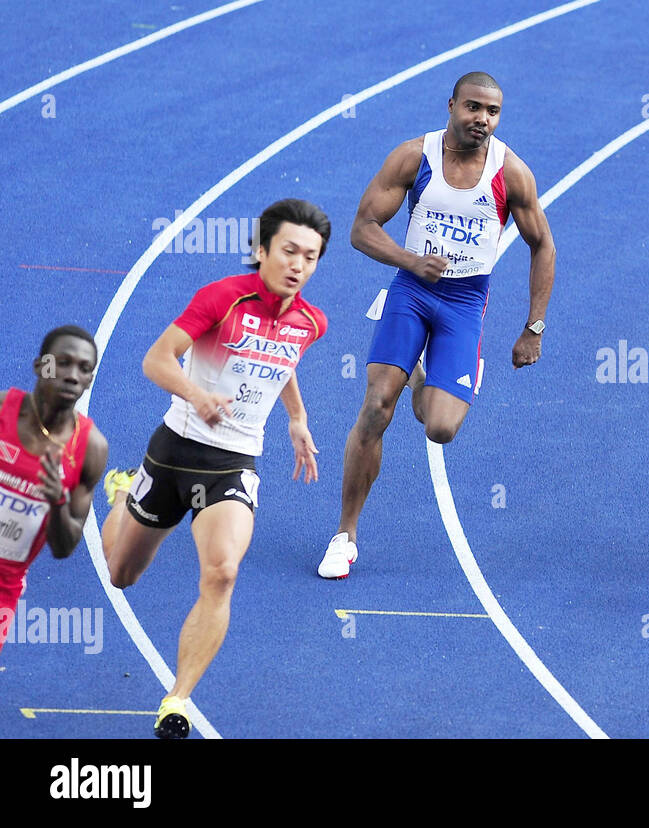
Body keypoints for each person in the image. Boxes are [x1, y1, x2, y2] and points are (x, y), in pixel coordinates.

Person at [100, 198, 329, 738]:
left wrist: (296, 417)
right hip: (176, 447)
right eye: (289, 251)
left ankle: (177, 700)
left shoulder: (310, 322)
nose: (298, 265)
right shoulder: (221, 299)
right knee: (120, 574)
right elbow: (156, 359)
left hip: (233, 463)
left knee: (222, 570)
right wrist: (196, 393)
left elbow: (282, 363)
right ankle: (122, 492)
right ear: (262, 251)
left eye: (311, 257)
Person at [317, 71, 556, 580]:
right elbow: (361, 228)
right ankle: (345, 535)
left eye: (492, 112)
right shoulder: (413, 158)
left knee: (440, 428)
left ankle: (425, 373)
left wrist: (533, 327)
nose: (482, 120)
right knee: (378, 406)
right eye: (473, 108)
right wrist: (410, 260)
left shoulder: (512, 174)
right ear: (450, 105)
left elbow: (544, 246)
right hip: (410, 292)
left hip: (466, 303)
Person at [0, 327, 108, 654]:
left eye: (84, 369)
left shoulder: (90, 448)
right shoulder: (3, 410)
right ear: (40, 366)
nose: (73, 376)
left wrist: (58, 502)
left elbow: (63, 549)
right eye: (62, 363)